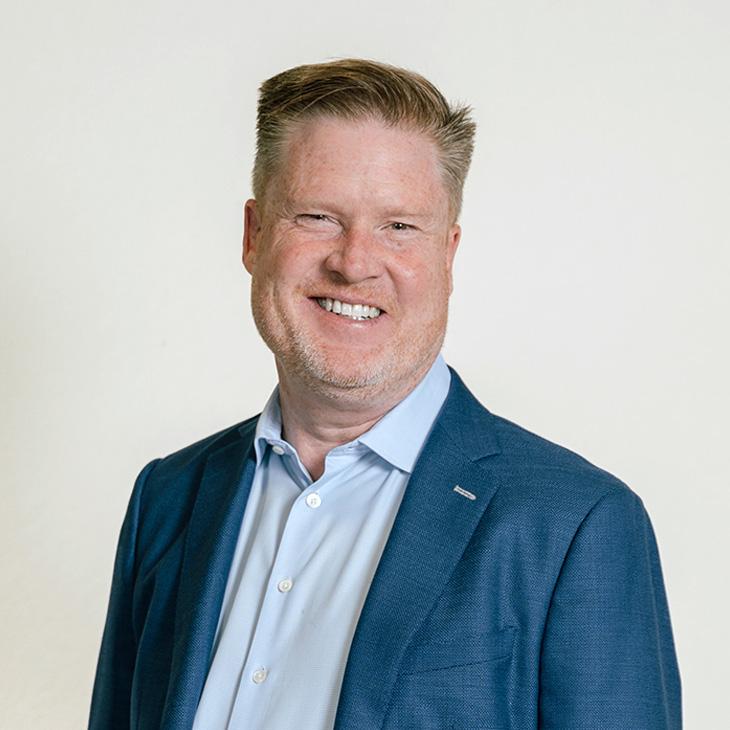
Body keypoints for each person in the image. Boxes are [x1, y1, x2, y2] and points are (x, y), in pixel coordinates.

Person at [89, 59, 681, 729]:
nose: (353, 262)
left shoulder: (574, 525)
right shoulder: (167, 499)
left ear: (447, 254)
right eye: (317, 216)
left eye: (399, 226)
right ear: (254, 236)